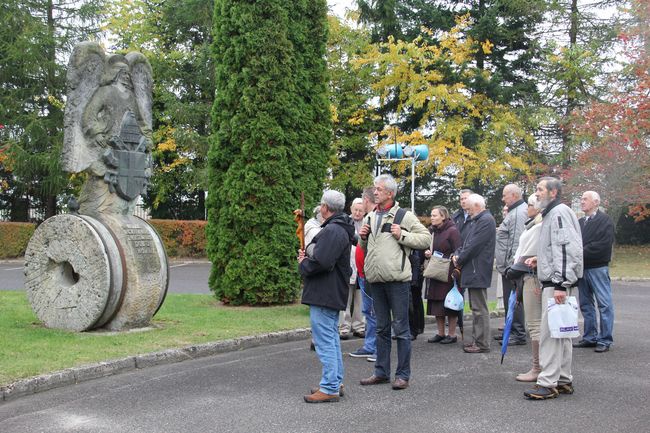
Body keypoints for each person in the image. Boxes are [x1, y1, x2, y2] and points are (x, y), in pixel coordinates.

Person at [358, 174, 431, 390]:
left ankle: (403, 375)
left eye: (379, 189)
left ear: (390, 193)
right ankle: (381, 372)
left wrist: (403, 235)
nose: (375, 192)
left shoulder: (403, 215)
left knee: (401, 329)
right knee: (381, 328)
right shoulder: (370, 217)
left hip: (398, 281)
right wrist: (362, 237)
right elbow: (365, 248)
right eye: (374, 188)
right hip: (376, 281)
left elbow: (426, 239)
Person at [524, 177, 583, 400]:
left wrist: (560, 284)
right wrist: (543, 259)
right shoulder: (555, 213)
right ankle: (563, 379)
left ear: (554, 192)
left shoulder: (558, 213)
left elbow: (567, 249)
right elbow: (557, 249)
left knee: (551, 333)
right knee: (562, 332)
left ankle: (548, 383)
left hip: (557, 284)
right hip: (558, 281)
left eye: (540, 190)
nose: (536, 194)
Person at [299, 190, 356, 403]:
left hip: (325, 292)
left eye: (321, 205)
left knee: (324, 341)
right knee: (331, 339)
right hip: (331, 291)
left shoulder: (333, 230)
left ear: (325, 207)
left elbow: (322, 262)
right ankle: (334, 381)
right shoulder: (341, 228)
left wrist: (303, 263)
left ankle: (330, 387)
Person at [452, 194, 496, 354]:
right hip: (474, 269)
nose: (468, 212)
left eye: (469, 209)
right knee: (477, 307)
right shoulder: (479, 220)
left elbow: (473, 246)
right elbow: (466, 243)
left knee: (479, 309)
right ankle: (479, 341)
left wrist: (460, 258)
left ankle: (482, 343)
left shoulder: (485, 221)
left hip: (477, 270)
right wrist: (458, 254)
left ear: (477, 205)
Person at [507, 194, 543, 382]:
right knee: (535, 324)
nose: (527, 208)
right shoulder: (532, 226)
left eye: (529, 205)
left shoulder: (538, 227)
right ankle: (538, 366)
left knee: (535, 325)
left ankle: (538, 367)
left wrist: (514, 267)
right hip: (527, 276)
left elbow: (527, 255)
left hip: (532, 277)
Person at [573, 191, 615, 353]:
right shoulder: (580, 222)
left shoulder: (605, 221)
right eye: (581, 199)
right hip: (583, 268)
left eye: (585, 199)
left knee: (604, 304)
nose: (582, 202)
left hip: (598, 267)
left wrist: (580, 251)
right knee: (585, 304)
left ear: (596, 202)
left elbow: (602, 245)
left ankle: (605, 339)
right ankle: (590, 336)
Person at [495, 184, 529, 346]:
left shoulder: (517, 214)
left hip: (511, 267)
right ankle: (511, 330)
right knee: (511, 299)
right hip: (507, 266)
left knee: (515, 299)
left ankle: (518, 333)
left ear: (514, 195)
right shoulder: (514, 212)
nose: (503, 199)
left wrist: (512, 267)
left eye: (504, 195)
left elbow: (516, 242)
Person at [424, 206, 462, 344]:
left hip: (448, 273)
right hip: (435, 271)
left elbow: (458, 249)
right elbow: (427, 247)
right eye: (431, 215)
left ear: (443, 216)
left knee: (449, 303)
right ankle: (440, 333)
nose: (432, 217)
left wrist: (456, 269)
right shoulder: (432, 231)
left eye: (435, 215)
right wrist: (427, 252)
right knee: (436, 303)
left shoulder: (452, 231)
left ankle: (451, 334)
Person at [349, 187, 378, 362]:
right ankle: (369, 345)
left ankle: (377, 349)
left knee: (375, 312)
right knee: (368, 310)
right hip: (362, 272)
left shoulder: (375, 218)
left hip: (371, 273)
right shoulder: (369, 217)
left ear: (366, 201)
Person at [339, 198, 366, 340]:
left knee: (360, 300)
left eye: (360, 210)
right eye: (355, 210)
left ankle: (359, 327)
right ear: (351, 209)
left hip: (362, 267)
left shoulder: (367, 222)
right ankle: (344, 328)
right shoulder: (345, 222)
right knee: (345, 299)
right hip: (348, 266)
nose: (357, 213)